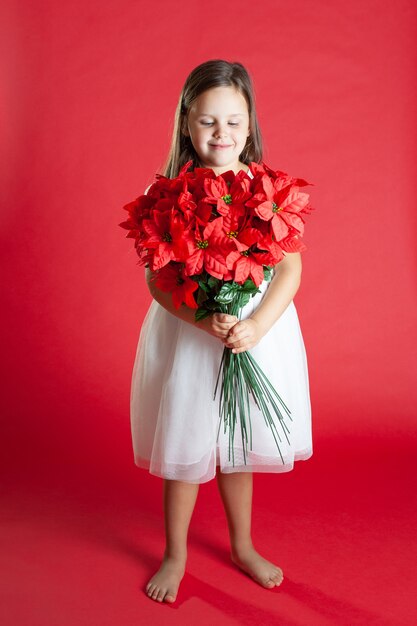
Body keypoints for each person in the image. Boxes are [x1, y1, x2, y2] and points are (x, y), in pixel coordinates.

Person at [129, 59, 313, 603]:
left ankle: (242, 545)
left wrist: (255, 324)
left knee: (239, 440)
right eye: (208, 122)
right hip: (192, 333)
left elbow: (291, 268)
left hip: (255, 331)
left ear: (250, 123)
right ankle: (175, 554)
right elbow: (158, 282)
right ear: (187, 123)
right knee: (186, 441)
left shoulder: (266, 186)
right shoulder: (165, 191)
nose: (221, 134)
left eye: (234, 122)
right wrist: (203, 319)